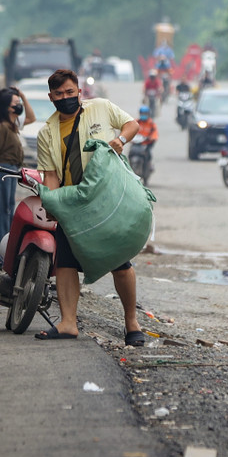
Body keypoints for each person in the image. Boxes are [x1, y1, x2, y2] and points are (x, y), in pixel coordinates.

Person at [34, 69, 142, 344]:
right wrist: (54, 204)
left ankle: (132, 323)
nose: (65, 97)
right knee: (66, 263)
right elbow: (50, 176)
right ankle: (69, 323)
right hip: (72, 203)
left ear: (79, 92)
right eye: (59, 94)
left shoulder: (101, 108)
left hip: (105, 199)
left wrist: (121, 140)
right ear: (51, 97)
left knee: (119, 261)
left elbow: (132, 124)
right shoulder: (47, 132)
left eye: (70, 92)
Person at [0, 86, 35, 267]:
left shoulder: (13, 125)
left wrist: (23, 97)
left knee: (8, 214)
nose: (18, 106)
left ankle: (6, 258)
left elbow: (31, 117)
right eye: (15, 103)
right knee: (0, 217)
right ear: (7, 107)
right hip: (1, 171)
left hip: (10, 172)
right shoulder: (1, 127)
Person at [135, 104, 159, 170]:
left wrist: (152, 138)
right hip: (136, 143)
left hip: (147, 143)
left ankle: (148, 166)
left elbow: (155, 133)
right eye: (142, 113)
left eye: (145, 113)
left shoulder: (151, 123)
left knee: (148, 154)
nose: (143, 115)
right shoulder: (136, 122)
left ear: (148, 114)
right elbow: (129, 129)